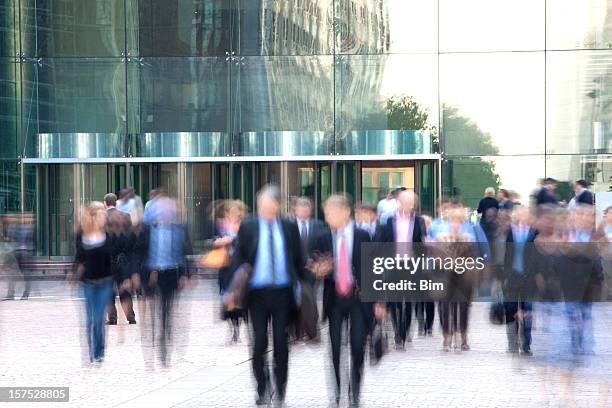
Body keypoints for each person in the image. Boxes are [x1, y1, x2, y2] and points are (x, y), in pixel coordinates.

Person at [231, 185, 311, 406]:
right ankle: (262, 387)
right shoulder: (248, 226)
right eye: (261, 206)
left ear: (277, 205)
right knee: (258, 343)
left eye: (269, 206)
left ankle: (281, 389)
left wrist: (309, 282)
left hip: (283, 293)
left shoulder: (288, 227)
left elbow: (298, 260)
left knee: (281, 343)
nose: (265, 210)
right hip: (256, 294)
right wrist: (238, 278)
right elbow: (238, 256)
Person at [310, 194, 372, 406]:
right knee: (335, 348)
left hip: (358, 299)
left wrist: (381, 303)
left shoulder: (363, 235)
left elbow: (374, 270)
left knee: (357, 347)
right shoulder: (322, 237)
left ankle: (355, 394)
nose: (328, 219)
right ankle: (336, 393)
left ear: (346, 213)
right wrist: (319, 271)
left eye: (332, 214)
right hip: (334, 299)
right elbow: (313, 268)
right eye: (326, 214)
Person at [378, 191, 428, 346]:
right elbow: (382, 243)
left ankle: (404, 331)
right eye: (405, 202)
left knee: (409, 301)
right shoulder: (388, 220)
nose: (408, 206)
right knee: (395, 300)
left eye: (411, 203)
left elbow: (423, 244)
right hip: (394, 264)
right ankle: (397, 331)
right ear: (398, 203)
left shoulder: (419, 221)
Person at [145, 195, 190, 365]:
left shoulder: (179, 229)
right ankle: (154, 344)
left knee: (167, 309)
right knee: (154, 311)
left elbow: (184, 252)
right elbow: (142, 253)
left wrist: (185, 274)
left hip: (171, 273)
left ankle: (164, 343)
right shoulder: (148, 230)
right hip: (152, 275)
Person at [72, 202, 114, 363]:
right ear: (93, 217)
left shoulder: (108, 235)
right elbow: (79, 258)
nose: (104, 217)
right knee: (90, 320)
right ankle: (92, 354)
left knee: (98, 319)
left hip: (105, 282)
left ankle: (99, 351)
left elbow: (112, 260)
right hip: (87, 283)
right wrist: (75, 273)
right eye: (101, 215)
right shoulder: (81, 235)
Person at [433, 205, 477, 352]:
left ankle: (462, 336)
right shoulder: (441, 237)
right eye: (453, 220)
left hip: (463, 275)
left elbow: (471, 259)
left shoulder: (468, 238)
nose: (456, 223)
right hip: (446, 275)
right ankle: (447, 336)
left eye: (459, 220)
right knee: (445, 306)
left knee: (463, 306)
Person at [502, 205, 537, 356]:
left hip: (529, 277)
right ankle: (512, 343)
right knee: (511, 310)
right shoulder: (509, 231)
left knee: (527, 310)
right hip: (512, 276)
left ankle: (526, 344)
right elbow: (503, 255)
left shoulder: (534, 232)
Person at [213, 200, 248, 343]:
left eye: (236, 212)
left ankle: (236, 330)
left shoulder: (245, 227)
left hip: (239, 266)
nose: (234, 214)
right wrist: (221, 241)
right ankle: (231, 327)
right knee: (226, 297)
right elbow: (214, 243)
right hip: (225, 267)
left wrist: (233, 240)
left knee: (238, 299)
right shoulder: (221, 225)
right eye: (231, 211)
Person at [104, 193, 136, 325]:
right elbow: (132, 238)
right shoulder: (126, 216)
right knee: (124, 288)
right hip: (123, 258)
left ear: (105, 203)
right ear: (116, 203)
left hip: (107, 259)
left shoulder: (102, 217)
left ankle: (112, 317)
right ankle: (130, 316)